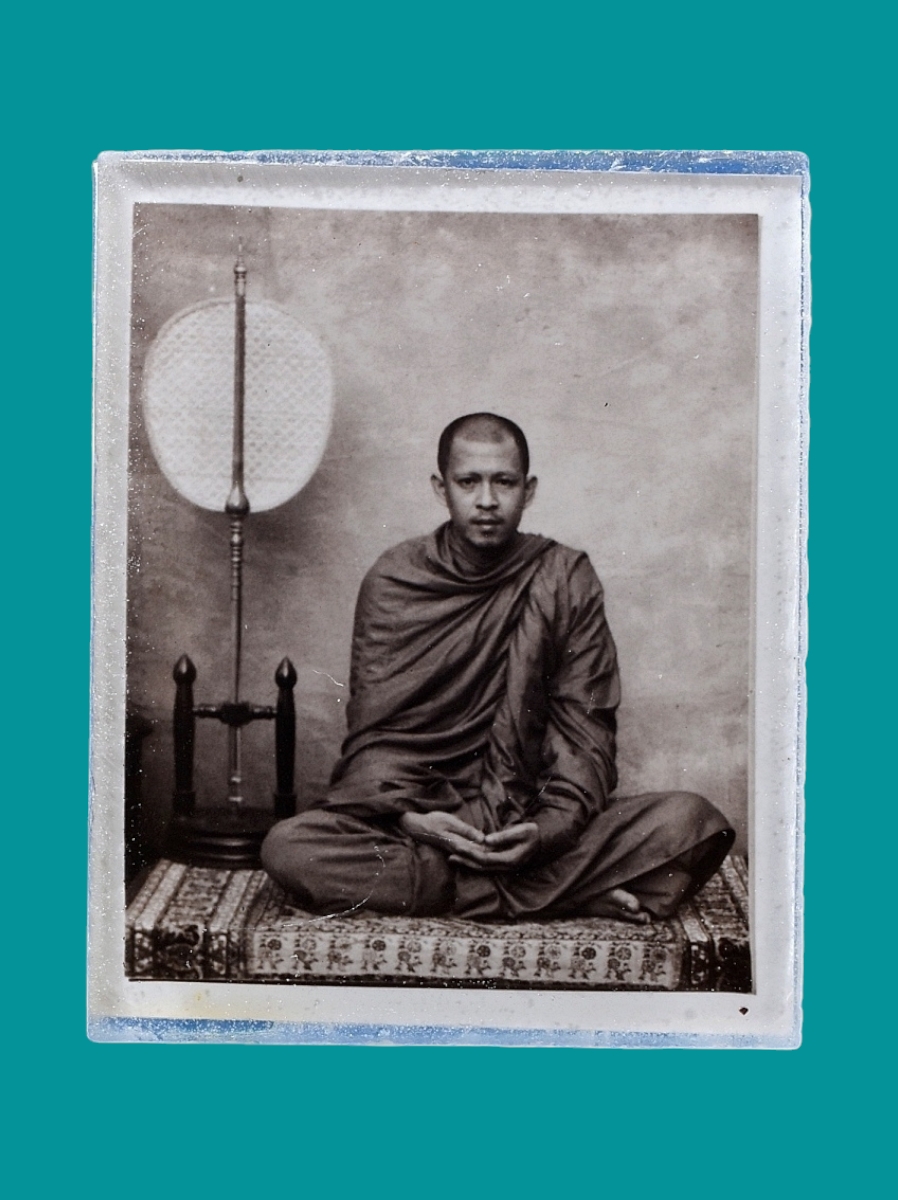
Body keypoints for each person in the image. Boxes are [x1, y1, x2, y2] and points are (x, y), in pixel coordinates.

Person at [261, 413, 734, 923]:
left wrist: (546, 832)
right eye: (469, 482)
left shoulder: (564, 577)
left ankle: (481, 886)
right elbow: (374, 741)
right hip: (421, 820)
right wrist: (412, 819)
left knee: (692, 821)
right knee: (290, 848)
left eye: (503, 482)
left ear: (528, 490)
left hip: (527, 816)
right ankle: (561, 894)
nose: (487, 500)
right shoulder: (394, 580)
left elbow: (586, 736)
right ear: (441, 488)